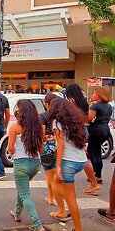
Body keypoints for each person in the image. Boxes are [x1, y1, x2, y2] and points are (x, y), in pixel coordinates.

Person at [48, 98, 87, 231]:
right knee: (54, 181)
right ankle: (61, 210)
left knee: (71, 198)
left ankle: (78, 228)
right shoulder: (75, 121)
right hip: (81, 161)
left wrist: (58, 166)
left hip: (68, 163)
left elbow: (61, 145)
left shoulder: (57, 123)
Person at [7, 100, 46, 231]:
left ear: (20, 112)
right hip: (35, 163)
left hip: (21, 163)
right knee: (22, 190)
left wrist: (15, 150)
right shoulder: (39, 127)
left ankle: (38, 224)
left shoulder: (15, 127)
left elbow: (10, 148)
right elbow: (41, 150)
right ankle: (17, 213)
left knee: (24, 194)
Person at [65, 84, 100, 194]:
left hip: (76, 129)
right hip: (83, 129)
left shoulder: (71, 101)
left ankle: (93, 183)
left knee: (80, 156)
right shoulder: (83, 101)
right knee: (82, 155)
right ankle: (94, 183)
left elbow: (69, 117)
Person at [87, 87, 112, 182]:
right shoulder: (108, 106)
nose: (93, 95)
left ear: (99, 95)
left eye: (94, 93)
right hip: (105, 129)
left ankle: (97, 175)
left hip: (96, 130)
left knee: (95, 152)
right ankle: (95, 173)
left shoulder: (95, 106)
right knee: (93, 150)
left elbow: (89, 118)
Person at [39, 94, 59, 206]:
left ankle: (51, 197)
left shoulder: (43, 116)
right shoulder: (61, 116)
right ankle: (54, 197)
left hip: (47, 147)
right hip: (59, 146)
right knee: (56, 174)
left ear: (46, 105)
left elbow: (41, 134)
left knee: (49, 176)